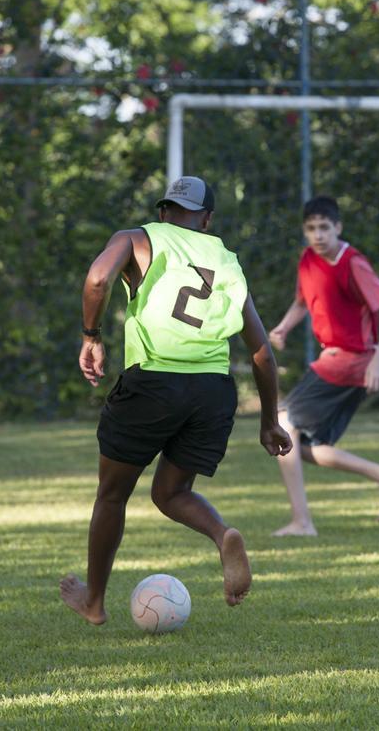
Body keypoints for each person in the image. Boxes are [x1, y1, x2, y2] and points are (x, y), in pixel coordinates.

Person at [60, 176, 292, 626]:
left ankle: (95, 602)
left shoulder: (137, 238)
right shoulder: (226, 259)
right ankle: (222, 533)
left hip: (153, 382)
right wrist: (269, 421)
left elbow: (96, 279)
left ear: (164, 211)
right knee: (171, 492)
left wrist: (92, 336)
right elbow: (261, 350)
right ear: (206, 219)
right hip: (212, 391)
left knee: (112, 495)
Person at [266, 195, 379, 537]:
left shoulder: (353, 262)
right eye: (311, 229)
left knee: (283, 423)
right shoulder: (307, 259)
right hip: (337, 359)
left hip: (351, 360)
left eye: (324, 228)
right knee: (301, 448)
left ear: (338, 228)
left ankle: (302, 522)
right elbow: (302, 301)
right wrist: (285, 326)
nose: (318, 235)